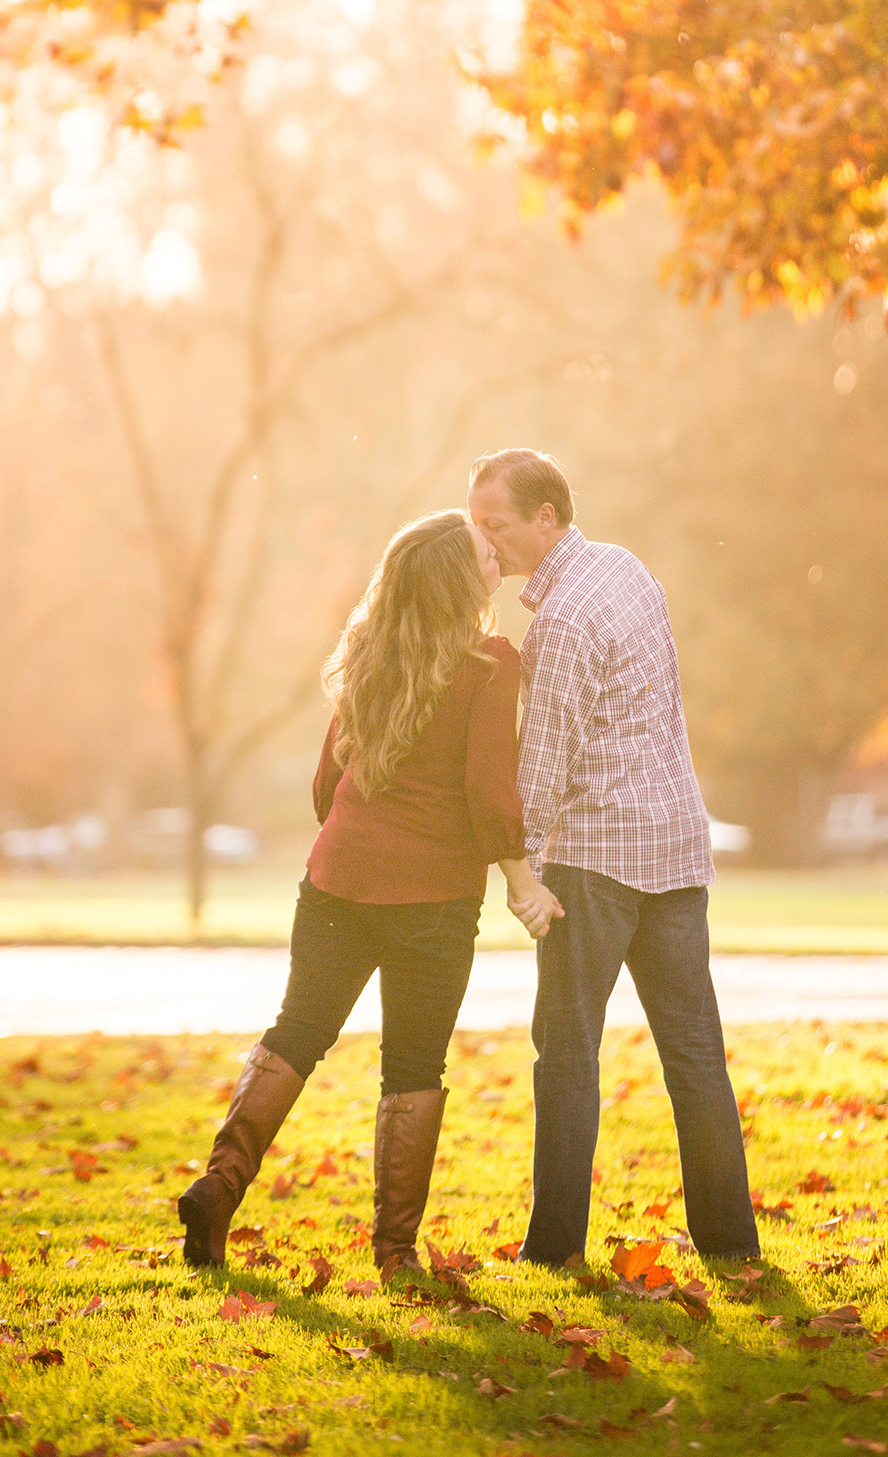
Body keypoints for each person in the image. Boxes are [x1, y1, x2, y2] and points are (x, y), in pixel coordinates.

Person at [177, 509, 562, 1275]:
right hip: (431, 899)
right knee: (413, 1065)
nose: (497, 560)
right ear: (460, 578)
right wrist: (524, 883)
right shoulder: (489, 662)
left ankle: (218, 1188)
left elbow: (328, 782)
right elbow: (490, 792)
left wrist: (356, 847)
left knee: (296, 1033)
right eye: (486, 553)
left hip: (336, 883)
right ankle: (393, 1256)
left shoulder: (367, 653)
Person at [467, 448, 759, 1267]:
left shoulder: (556, 623)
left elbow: (543, 768)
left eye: (495, 526)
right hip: (673, 846)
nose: (485, 543)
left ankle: (554, 1248)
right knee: (695, 1057)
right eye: (475, 527)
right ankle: (731, 1246)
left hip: (593, 862)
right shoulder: (625, 570)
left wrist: (514, 867)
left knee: (565, 1056)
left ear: (545, 518)